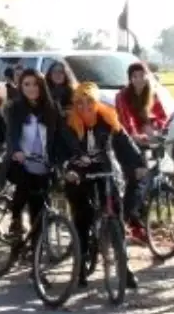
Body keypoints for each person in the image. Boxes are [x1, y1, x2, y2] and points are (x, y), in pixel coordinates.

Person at [60, 81, 147, 289]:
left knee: (116, 215)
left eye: (89, 102)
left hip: (106, 170)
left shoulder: (108, 118)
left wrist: (138, 164)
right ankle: (79, 267)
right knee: (83, 218)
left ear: (96, 102)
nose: (84, 107)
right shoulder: (69, 123)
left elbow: (124, 143)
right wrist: (68, 169)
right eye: (79, 103)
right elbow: (62, 150)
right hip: (79, 174)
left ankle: (124, 268)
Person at [4, 69, 68, 241]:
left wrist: (66, 157)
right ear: (21, 87)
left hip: (44, 162)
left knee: (39, 207)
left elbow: (62, 136)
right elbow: (12, 133)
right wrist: (16, 150)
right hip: (22, 161)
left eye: (35, 84)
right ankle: (15, 221)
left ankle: (36, 247)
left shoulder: (52, 107)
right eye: (26, 84)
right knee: (23, 191)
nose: (31, 88)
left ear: (42, 86)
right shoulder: (14, 107)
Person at [115, 61, 170, 241]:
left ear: (148, 76)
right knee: (137, 178)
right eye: (134, 76)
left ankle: (137, 221)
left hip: (147, 141)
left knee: (149, 180)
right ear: (130, 78)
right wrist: (136, 135)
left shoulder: (152, 94)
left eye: (142, 75)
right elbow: (126, 119)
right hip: (124, 140)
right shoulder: (122, 95)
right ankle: (124, 220)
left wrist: (155, 127)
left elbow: (163, 117)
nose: (138, 79)